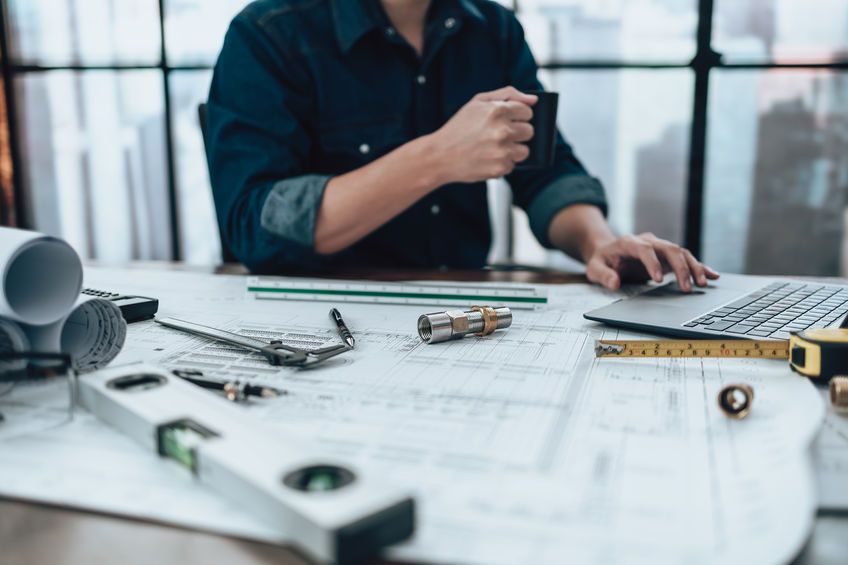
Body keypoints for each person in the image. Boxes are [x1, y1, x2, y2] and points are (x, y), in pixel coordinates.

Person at [206, 0, 719, 291]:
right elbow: (255, 224)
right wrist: (437, 158)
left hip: (465, 304)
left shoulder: (492, 28)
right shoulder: (267, 34)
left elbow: (545, 169)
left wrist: (597, 242)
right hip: (316, 314)